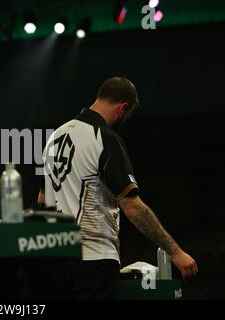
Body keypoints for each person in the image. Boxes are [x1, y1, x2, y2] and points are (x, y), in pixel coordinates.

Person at [41, 77, 198, 299]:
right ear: (123, 107)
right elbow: (132, 207)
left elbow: (42, 201)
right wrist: (175, 251)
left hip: (55, 261)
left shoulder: (54, 138)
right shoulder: (104, 138)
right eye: (128, 115)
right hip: (94, 260)